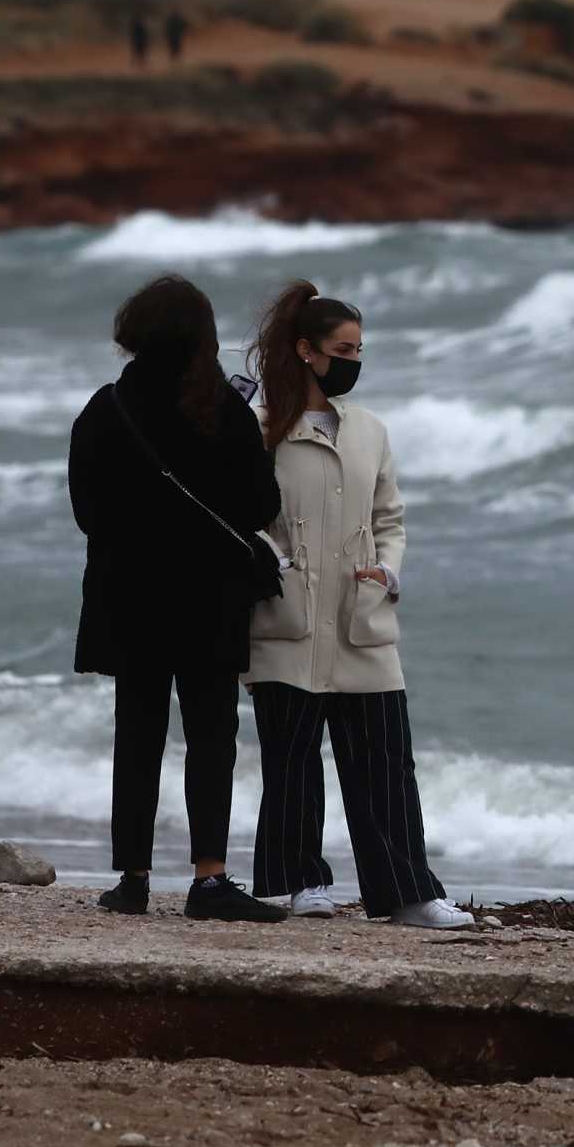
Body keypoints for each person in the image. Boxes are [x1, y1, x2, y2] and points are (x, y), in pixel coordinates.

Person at [244, 281, 470, 930]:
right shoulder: (260, 430)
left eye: (360, 348)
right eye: (343, 348)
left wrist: (389, 569)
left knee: (386, 762)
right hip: (285, 618)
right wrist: (272, 561)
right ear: (306, 351)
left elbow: (391, 519)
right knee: (290, 761)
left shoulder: (370, 430)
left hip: (362, 621)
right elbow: (239, 513)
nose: (354, 359)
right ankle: (300, 882)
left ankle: (407, 894)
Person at [68, 276, 289, 923]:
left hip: (131, 598)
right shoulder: (223, 409)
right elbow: (260, 506)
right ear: (201, 336)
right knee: (211, 737)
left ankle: (132, 879)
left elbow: (88, 513)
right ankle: (210, 879)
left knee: (137, 733)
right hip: (209, 598)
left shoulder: (107, 409)